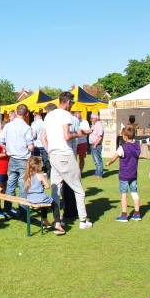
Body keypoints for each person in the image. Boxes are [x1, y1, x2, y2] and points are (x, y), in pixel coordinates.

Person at [41, 91, 93, 230]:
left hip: (53, 155)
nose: (72, 106)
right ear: (68, 102)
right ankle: (83, 221)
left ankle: (57, 221)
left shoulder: (49, 116)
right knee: (78, 189)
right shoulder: (65, 115)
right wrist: (80, 133)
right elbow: (67, 136)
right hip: (65, 154)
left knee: (55, 190)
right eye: (72, 103)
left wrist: (50, 151)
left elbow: (43, 138)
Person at [0, 104, 34, 218]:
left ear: (17, 112)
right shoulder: (27, 128)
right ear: (26, 114)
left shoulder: (8, 126)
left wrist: (8, 149)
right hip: (23, 159)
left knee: (10, 185)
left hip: (12, 159)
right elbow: (30, 147)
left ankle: (8, 210)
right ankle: (23, 212)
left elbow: (1, 142)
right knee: (23, 186)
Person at [22, 157, 66, 235]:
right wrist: (43, 184)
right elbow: (47, 186)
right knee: (54, 204)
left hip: (30, 198)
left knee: (45, 203)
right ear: (38, 165)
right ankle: (57, 223)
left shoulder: (26, 176)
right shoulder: (40, 175)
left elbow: (26, 188)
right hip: (39, 197)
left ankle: (45, 220)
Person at [106, 126, 142, 222]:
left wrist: (109, 162)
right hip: (133, 174)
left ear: (125, 137)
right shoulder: (137, 146)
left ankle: (124, 215)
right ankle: (137, 214)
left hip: (124, 175)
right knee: (134, 192)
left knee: (124, 194)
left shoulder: (123, 147)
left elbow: (114, 157)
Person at [88, 113, 104, 178]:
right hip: (93, 145)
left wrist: (95, 144)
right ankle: (97, 173)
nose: (91, 119)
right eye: (91, 118)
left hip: (96, 145)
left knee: (98, 160)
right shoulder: (95, 125)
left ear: (96, 118)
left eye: (92, 118)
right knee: (96, 161)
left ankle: (99, 175)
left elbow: (100, 136)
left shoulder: (99, 125)